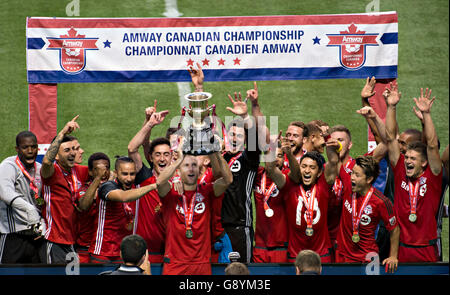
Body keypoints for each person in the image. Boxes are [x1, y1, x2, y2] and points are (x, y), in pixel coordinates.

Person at [385, 84, 442, 262]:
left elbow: (432, 145)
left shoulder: (432, 175)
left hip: (427, 249)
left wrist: (426, 115)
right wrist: (391, 106)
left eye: (413, 159)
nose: (408, 161)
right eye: (407, 157)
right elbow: (390, 138)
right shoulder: (400, 170)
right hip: (401, 250)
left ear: (424, 162)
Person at [157, 145, 233, 275]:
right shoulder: (171, 193)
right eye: (186, 165)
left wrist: (216, 152)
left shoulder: (208, 191)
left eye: (194, 165)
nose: (191, 169)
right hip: (175, 263)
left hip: (201, 264)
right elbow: (159, 182)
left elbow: (228, 179)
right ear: (179, 171)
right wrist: (178, 160)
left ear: (199, 171)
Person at [266, 136, 341, 263]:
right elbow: (270, 168)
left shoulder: (323, 184)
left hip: (322, 253)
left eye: (312, 168)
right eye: (304, 166)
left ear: (318, 173)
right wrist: (272, 146)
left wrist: (332, 145)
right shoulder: (289, 185)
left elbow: (333, 161)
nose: (307, 170)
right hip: (296, 254)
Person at [221, 82, 269, 264]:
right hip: (217, 227)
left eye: (239, 136)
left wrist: (246, 116)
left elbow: (256, 142)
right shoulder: (220, 158)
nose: (234, 139)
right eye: (231, 135)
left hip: (240, 227)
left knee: (242, 272)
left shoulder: (249, 159)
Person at [335, 156, 400, 273]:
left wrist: (393, 256)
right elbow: (337, 163)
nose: (352, 178)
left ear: (369, 179)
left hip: (367, 258)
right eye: (352, 173)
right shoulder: (348, 184)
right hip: (343, 254)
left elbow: (394, 229)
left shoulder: (381, 202)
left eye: (357, 175)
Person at [89, 156, 158, 264]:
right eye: (125, 174)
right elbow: (124, 197)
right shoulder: (107, 187)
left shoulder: (135, 188)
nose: (129, 178)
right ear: (116, 173)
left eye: (132, 174)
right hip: (103, 252)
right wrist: (153, 186)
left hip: (125, 253)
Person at [40, 116, 90, 264]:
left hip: (73, 241)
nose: (72, 153)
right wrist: (62, 133)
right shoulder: (51, 172)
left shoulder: (79, 171)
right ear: (57, 155)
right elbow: (47, 161)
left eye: (73, 149)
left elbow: (103, 170)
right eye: (67, 150)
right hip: (54, 240)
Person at [128, 105, 171, 263]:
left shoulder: (180, 182)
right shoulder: (144, 178)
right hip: (143, 254)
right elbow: (132, 148)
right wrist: (149, 123)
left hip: (170, 254)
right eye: (157, 155)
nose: (162, 159)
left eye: (166, 154)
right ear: (151, 158)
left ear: (172, 157)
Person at [0, 131, 45, 263]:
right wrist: (29, 209)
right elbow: (4, 192)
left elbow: (42, 199)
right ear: (17, 149)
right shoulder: (8, 166)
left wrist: (42, 219)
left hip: (35, 237)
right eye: (25, 147)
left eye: (33, 147)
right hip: (12, 236)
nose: (30, 151)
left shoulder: (40, 169)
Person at [252, 138, 293, 263]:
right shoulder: (257, 175)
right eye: (272, 154)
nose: (275, 158)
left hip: (281, 246)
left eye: (279, 155)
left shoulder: (286, 176)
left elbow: (272, 170)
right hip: (259, 244)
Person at [74, 152, 111, 263]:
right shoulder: (84, 189)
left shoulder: (114, 189)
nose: (103, 172)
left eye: (106, 168)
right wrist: (98, 179)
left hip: (106, 250)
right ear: (90, 172)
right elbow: (84, 205)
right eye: (97, 169)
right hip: (84, 250)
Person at [327, 125, 355, 261]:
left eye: (341, 140)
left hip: (350, 240)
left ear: (350, 144)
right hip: (325, 239)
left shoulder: (358, 169)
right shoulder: (321, 169)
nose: (337, 144)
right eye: (333, 141)